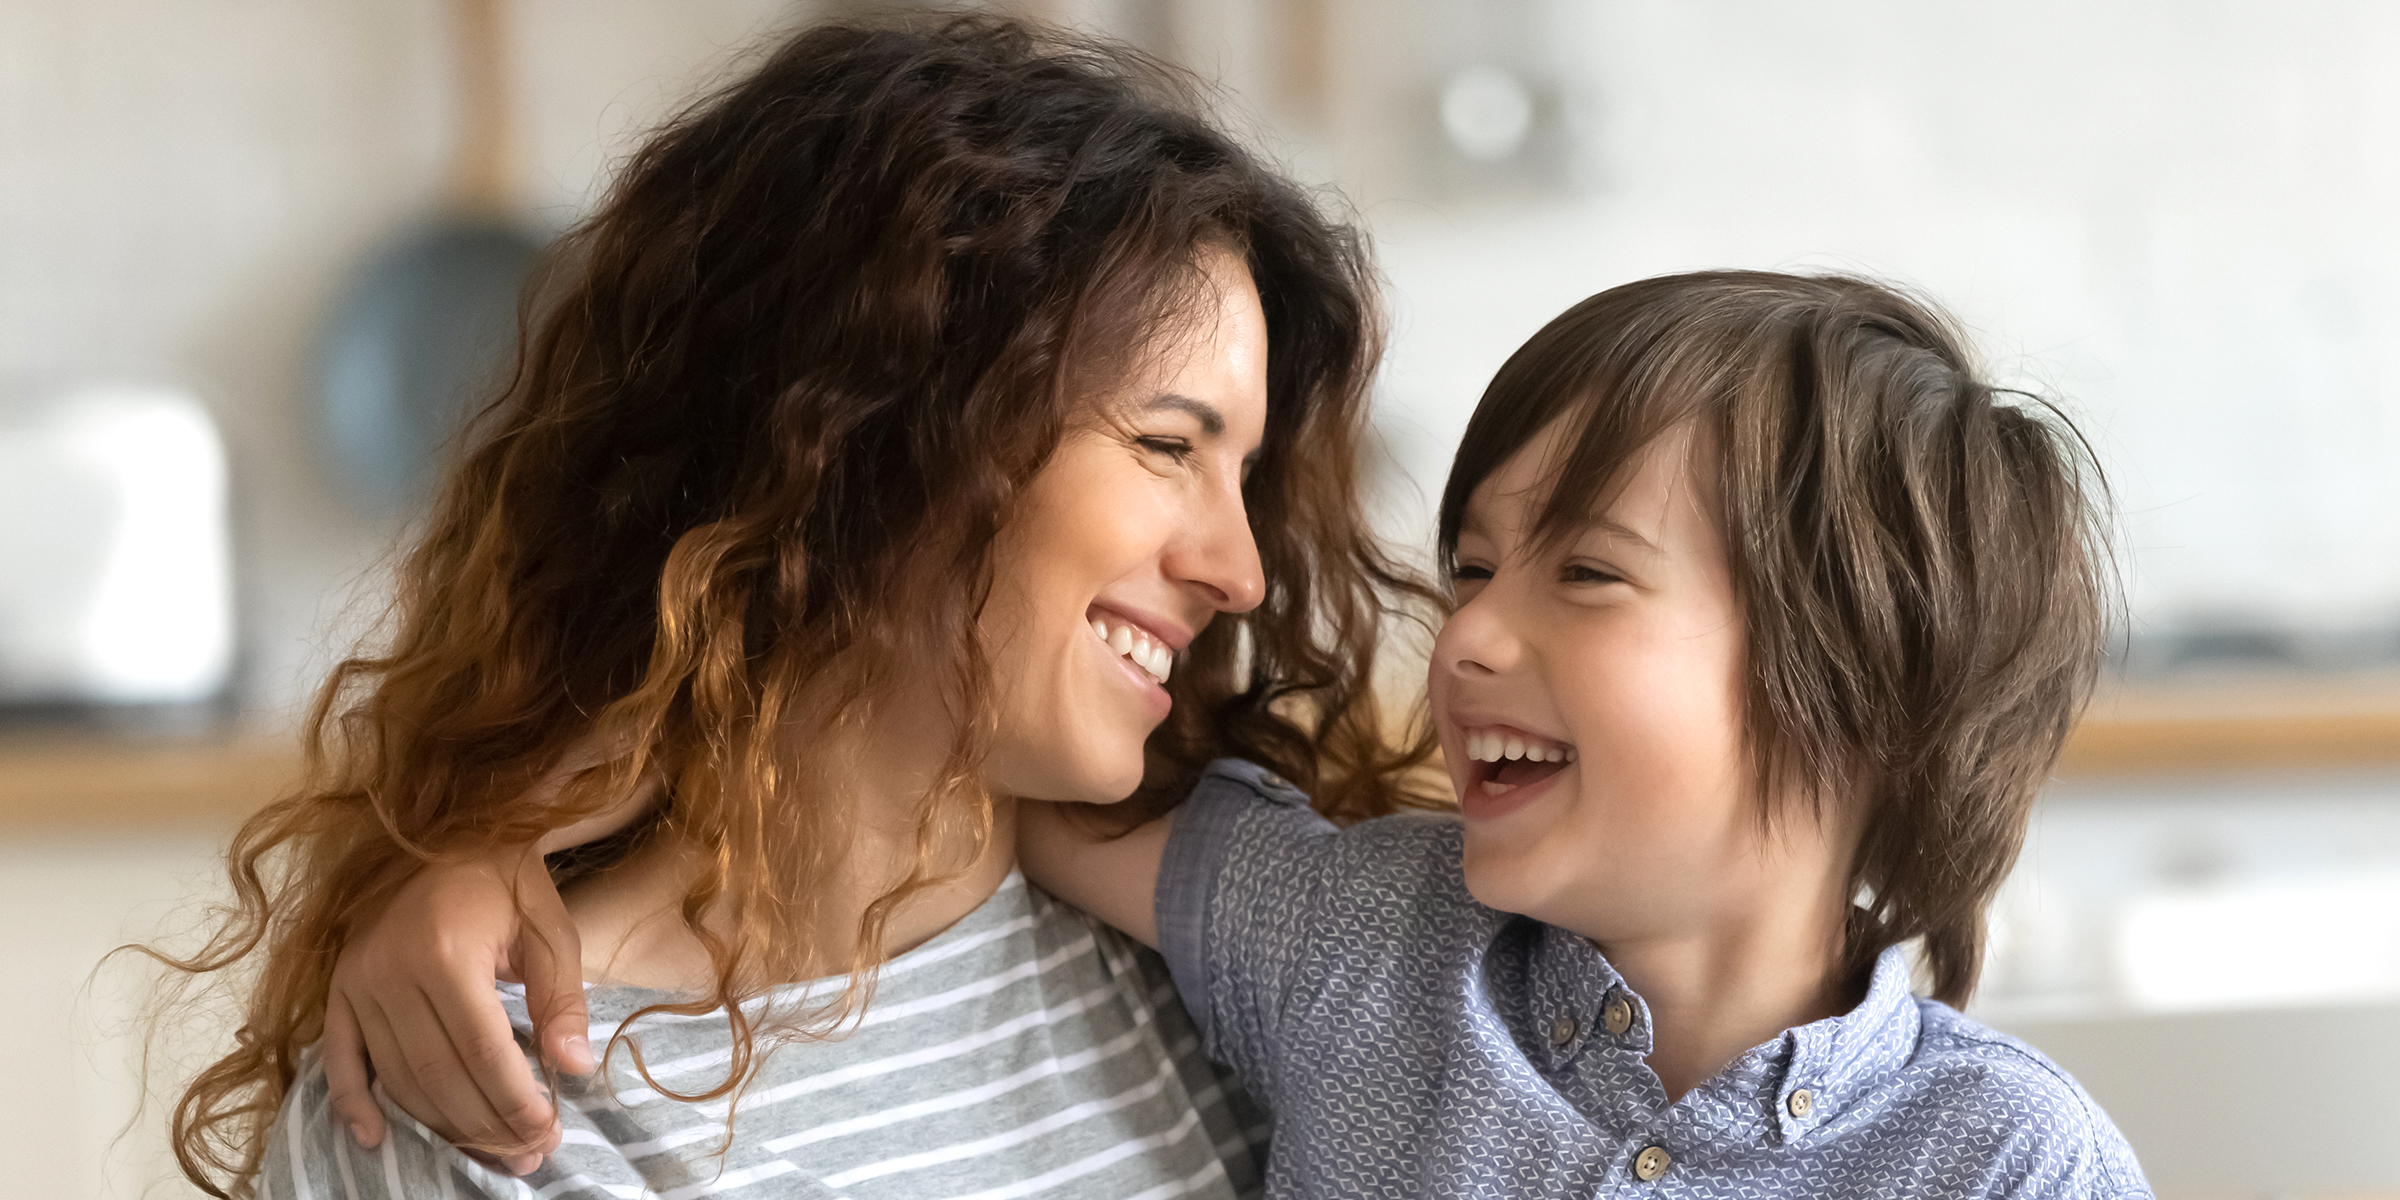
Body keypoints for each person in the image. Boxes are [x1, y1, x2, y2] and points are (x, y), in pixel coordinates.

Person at [157, 15, 1441, 1200]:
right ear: (884, 441)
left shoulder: (1226, 976)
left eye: (1247, 477)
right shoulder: (482, 1110)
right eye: (1168, 446)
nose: (1242, 571)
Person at [1021, 272, 2154, 1196]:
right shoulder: (1360, 938)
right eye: (1471, 570)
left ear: (1861, 684)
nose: (1464, 635)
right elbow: (1021, 773)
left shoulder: (2011, 1162)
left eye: (1588, 572)